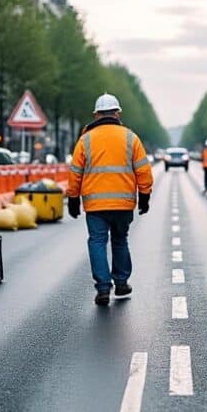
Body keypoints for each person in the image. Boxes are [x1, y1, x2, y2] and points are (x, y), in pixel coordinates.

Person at [67, 93, 154, 305]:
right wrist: (144, 196)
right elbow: (143, 170)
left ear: (96, 115)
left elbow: (75, 172)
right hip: (123, 204)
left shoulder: (85, 139)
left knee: (97, 241)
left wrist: (72, 198)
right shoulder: (130, 138)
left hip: (95, 205)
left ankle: (103, 288)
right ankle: (122, 282)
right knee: (120, 239)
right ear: (117, 113)